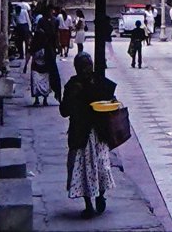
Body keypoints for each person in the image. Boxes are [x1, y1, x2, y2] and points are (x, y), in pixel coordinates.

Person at [59, 53, 117, 219]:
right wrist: (73, 95)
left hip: (98, 133)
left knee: (101, 166)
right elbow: (64, 111)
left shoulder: (98, 81)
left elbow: (110, 99)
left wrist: (112, 101)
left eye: (88, 64)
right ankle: (88, 204)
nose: (86, 69)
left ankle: (100, 195)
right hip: (80, 134)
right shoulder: (73, 85)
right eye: (82, 65)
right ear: (77, 68)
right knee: (82, 168)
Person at [26, 27, 54, 106]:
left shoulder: (43, 45)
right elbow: (29, 54)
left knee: (39, 83)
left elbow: (29, 54)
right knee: (40, 83)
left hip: (40, 67)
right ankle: (40, 99)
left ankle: (41, 99)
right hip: (40, 67)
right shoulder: (39, 45)